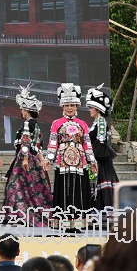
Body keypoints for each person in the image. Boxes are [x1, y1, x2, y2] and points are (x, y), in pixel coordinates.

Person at [2, 84, 52, 225]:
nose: (21, 112)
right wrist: (41, 160)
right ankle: (22, 214)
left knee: (15, 186)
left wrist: (23, 159)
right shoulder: (36, 126)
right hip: (33, 159)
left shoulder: (26, 124)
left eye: (22, 109)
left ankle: (17, 215)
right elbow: (38, 146)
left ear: (26, 110)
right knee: (31, 187)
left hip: (25, 160)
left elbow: (25, 143)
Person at [45, 83, 97, 217]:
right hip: (62, 161)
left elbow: (87, 144)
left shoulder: (83, 124)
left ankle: (78, 219)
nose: (69, 108)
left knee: (79, 189)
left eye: (72, 105)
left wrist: (92, 161)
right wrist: (48, 159)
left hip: (80, 161)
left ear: (77, 106)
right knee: (63, 189)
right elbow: (53, 143)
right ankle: (63, 219)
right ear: (62, 106)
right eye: (67, 105)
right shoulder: (56, 123)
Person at [85, 85, 118, 210]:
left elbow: (101, 141)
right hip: (98, 157)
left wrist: (92, 157)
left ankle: (104, 210)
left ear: (98, 108)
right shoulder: (97, 122)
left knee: (102, 183)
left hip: (101, 159)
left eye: (91, 107)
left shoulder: (101, 122)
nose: (89, 110)